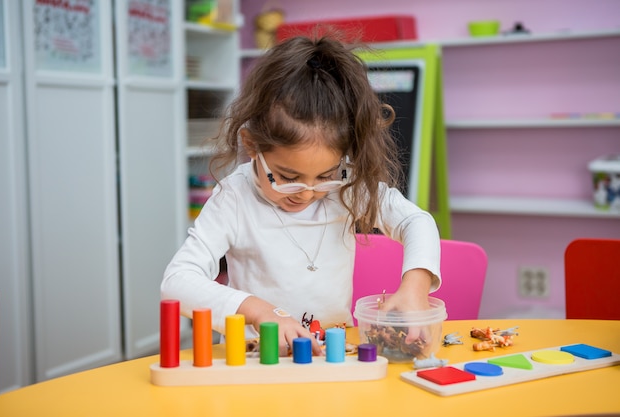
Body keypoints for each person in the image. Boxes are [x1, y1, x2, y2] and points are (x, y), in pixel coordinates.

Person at [161, 34, 441, 356]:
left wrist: (416, 286)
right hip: (254, 362)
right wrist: (258, 311)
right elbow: (177, 282)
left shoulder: (346, 188)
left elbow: (415, 221)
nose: (307, 193)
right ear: (252, 145)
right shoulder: (234, 198)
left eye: (325, 176)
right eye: (287, 178)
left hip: (331, 359)